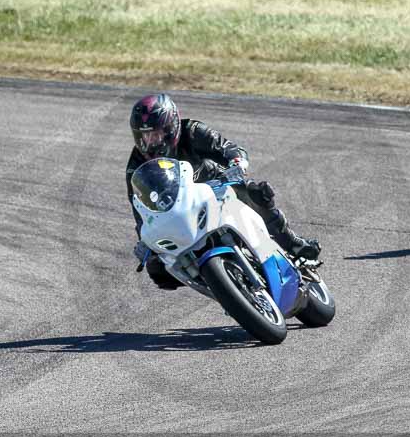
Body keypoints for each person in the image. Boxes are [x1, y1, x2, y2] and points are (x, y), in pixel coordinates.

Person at [126, 94, 321, 290]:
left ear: (172, 127)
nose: (151, 142)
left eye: (157, 134)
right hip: (181, 210)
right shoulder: (135, 167)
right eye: (145, 136)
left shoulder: (192, 131)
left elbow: (227, 148)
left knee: (256, 193)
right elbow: (141, 211)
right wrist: (145, 242)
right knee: (158, 270)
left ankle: (292, 243)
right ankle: (215, 285)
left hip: (215, 185)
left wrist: (236, 162)